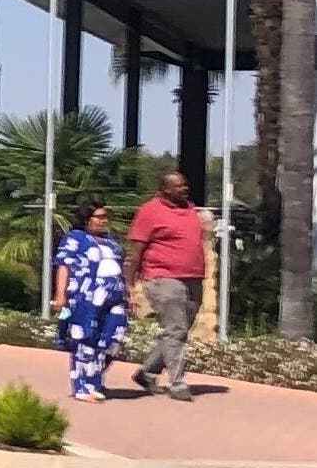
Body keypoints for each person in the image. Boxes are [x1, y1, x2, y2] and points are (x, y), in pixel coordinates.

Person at [126, 169, 207, 401]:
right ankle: (178, 383)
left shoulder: (190, 209)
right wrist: (129, 283)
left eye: (185, 184)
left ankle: (147, 372)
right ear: (165, 190)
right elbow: (136, 251)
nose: (185, 188)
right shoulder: (150, 211)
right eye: (179, 186)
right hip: (162, 277)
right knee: (176, 330)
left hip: (192, 278)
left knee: (179, 330)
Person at [52, 200, 129, 402]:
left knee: (113, 339)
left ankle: (94, 379)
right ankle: (83, 386)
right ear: (87, 219)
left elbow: (121, 269)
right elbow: (63, 266)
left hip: (115, 297)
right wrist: (61, 295)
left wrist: (130, 293)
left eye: (106, 217)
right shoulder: (75, 239)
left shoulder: (112, 242)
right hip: (85, 297)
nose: (104, 221)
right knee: (85, 339)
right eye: (100, 217)